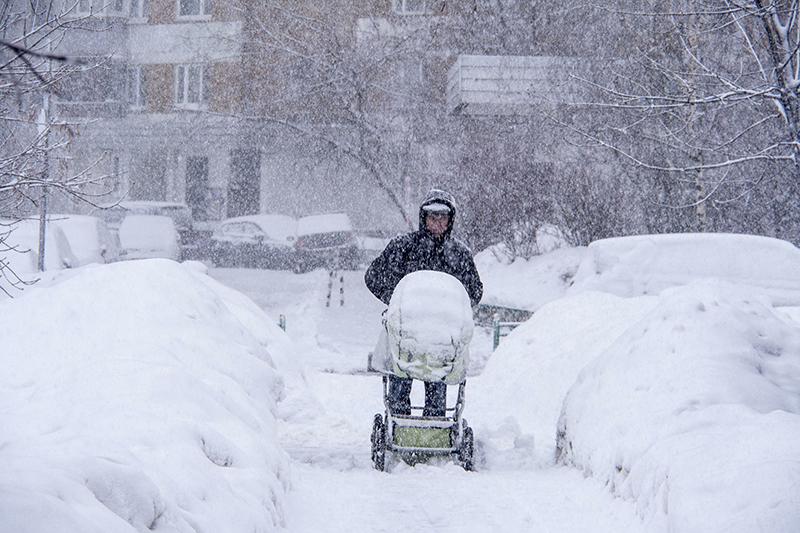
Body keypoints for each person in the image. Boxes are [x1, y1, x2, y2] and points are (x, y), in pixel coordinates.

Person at [365, 189, 483, 417]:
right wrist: (394, 299)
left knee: (437, 386)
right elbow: (373, 276)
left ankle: (434, 430)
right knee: (400, 381)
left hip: (440, 335)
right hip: (406, 331)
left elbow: (475, 290)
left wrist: (457, 308)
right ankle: (399, 426)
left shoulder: (459, 254)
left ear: (450, 220)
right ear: (423, 218)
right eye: (432, 217)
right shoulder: (404, 247)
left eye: (442, 218)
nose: (437, 223)